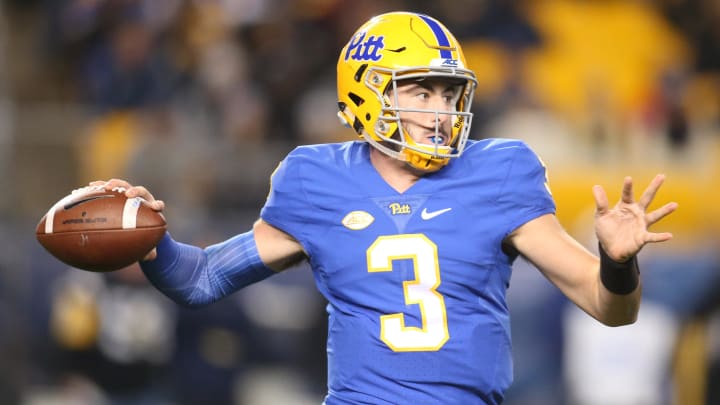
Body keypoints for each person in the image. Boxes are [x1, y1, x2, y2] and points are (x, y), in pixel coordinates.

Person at [91, 11, 678, 405]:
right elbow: (201, 279)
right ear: (366, 93)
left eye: (449, 94)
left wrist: (618, 261)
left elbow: (610, 308)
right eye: (421, 91)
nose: (441, 111)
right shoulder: (315, 178)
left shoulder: (500, 171)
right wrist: (153, 246)